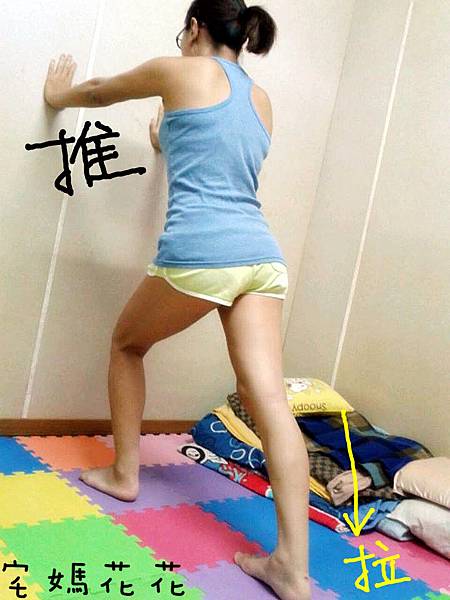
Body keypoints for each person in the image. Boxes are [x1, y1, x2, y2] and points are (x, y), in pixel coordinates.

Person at [44, 2, 311, 598]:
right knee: (270, 400)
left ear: (195, 28)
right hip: (261, 257)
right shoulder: (261, 99)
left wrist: (59, 95)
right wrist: (165, 142)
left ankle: (124, 473)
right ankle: (292, 568)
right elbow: (218, 157)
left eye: (183, 34)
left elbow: (101, 90)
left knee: (126, 344)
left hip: (203, 251)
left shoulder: (179, 70)